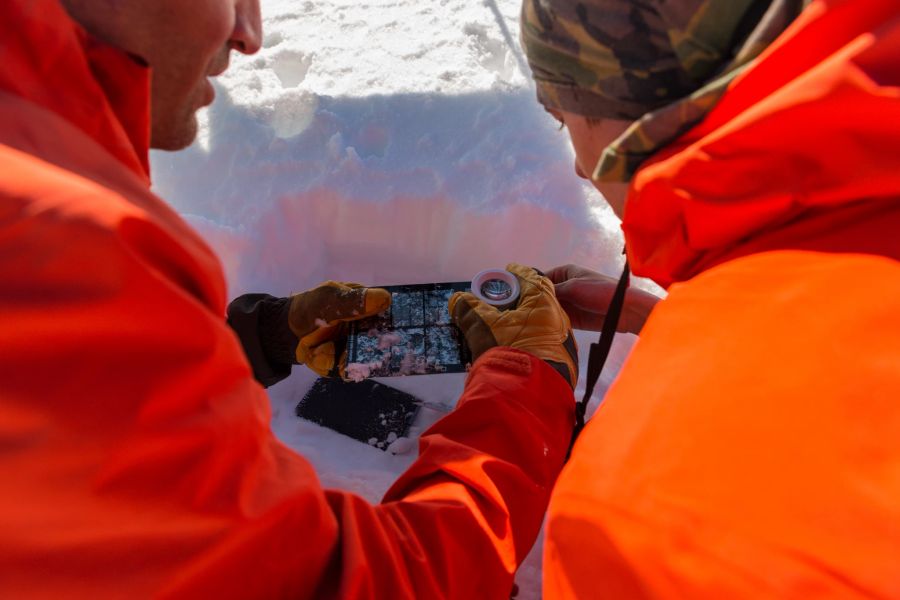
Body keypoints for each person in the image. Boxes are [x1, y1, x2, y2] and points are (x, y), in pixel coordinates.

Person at [0, 0, 581, 597]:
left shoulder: (37, 216)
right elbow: (371, 585)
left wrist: (260, 340)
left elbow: (84, 402)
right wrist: (526, 390)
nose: (249, 35)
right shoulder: (74, 250)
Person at [511, 0, 900, 596]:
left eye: (566, 118)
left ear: (635, 120)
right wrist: (683, 328)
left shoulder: (636, 512)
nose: (582, 171)